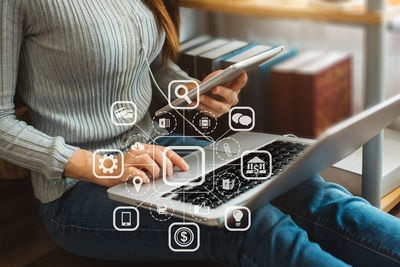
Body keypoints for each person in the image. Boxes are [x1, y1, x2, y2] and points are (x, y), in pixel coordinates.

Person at [1, 0, 400, 266]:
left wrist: (193, 93)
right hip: (76, 190)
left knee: (310, 189)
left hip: (160, 150)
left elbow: (151, 67)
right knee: (249, 224)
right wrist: (106, 166)